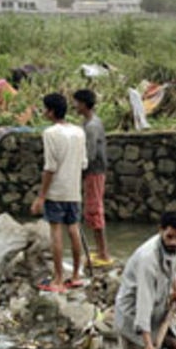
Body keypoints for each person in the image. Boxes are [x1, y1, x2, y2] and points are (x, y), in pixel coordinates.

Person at [114, 211, 176, 349]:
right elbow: (143, 303)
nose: (174, 242)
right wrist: (148, 344)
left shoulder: (171, 247)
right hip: (133, 315)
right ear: (161, 231)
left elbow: (171, 267)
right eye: (170, 237)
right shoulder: (148, 259)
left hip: (157, 311)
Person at [30, 93, 87, 293]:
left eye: (45, 109)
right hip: (74, 189)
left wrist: (41, 195)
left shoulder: (50, 133)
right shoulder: (79, 132)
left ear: (51, 111)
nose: (44, 112)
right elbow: (83, 163)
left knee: (56, 231)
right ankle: (76, 275)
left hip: (57, 190)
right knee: (73, 229)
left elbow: (50, 167)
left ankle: (58, 278)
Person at [73, 89, 113, 268]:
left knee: (95, 209)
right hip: (95, 170)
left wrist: (79, 169)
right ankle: (100, 251)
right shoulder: (91, 122)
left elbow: (89, 153)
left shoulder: (91, 126)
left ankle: (103, 253)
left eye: (76, 103)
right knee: (93, 209)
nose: (74, 106)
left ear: (83, 104)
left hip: (94, 171)